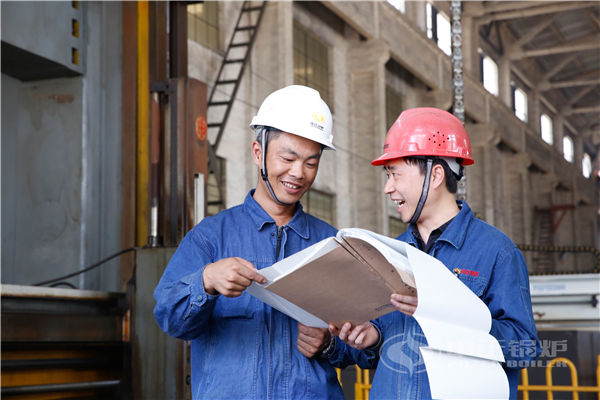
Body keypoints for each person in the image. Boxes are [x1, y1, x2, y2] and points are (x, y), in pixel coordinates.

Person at [154, 85, 376, 400]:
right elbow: (170, 319)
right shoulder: (212, 237)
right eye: (288, 157)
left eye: (311, 163)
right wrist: (205, 281)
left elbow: (368, 350)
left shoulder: (333, 246)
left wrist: (330, 343)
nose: (298, 173)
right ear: (258, 152)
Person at [331, 107, 541, 399]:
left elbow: (525, 349)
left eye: (395, 175)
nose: (388, 188)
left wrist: (444, 313)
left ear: (436, 174)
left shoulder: (497, 252)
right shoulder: (391, 254)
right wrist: (373, 338)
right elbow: (381, 352)